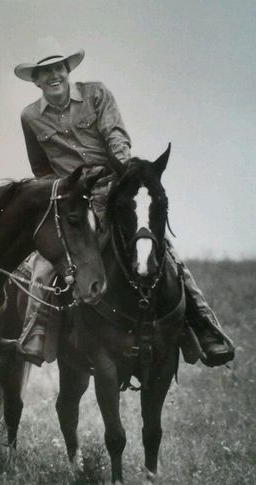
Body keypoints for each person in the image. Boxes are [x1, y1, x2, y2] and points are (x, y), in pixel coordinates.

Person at [13, 36, 234, 368]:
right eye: (45, 72)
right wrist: (61, 190)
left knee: (163, 252)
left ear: (67, 69)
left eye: (58, 68)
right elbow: (40, 167)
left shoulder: (96, 94)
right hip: (75, 199)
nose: (53, 76)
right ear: (36, 80)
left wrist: (125, 170)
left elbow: (115, 134)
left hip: (114, 189)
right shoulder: (30, 117)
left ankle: (204, 328)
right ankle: (36, 332)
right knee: (46, 262)